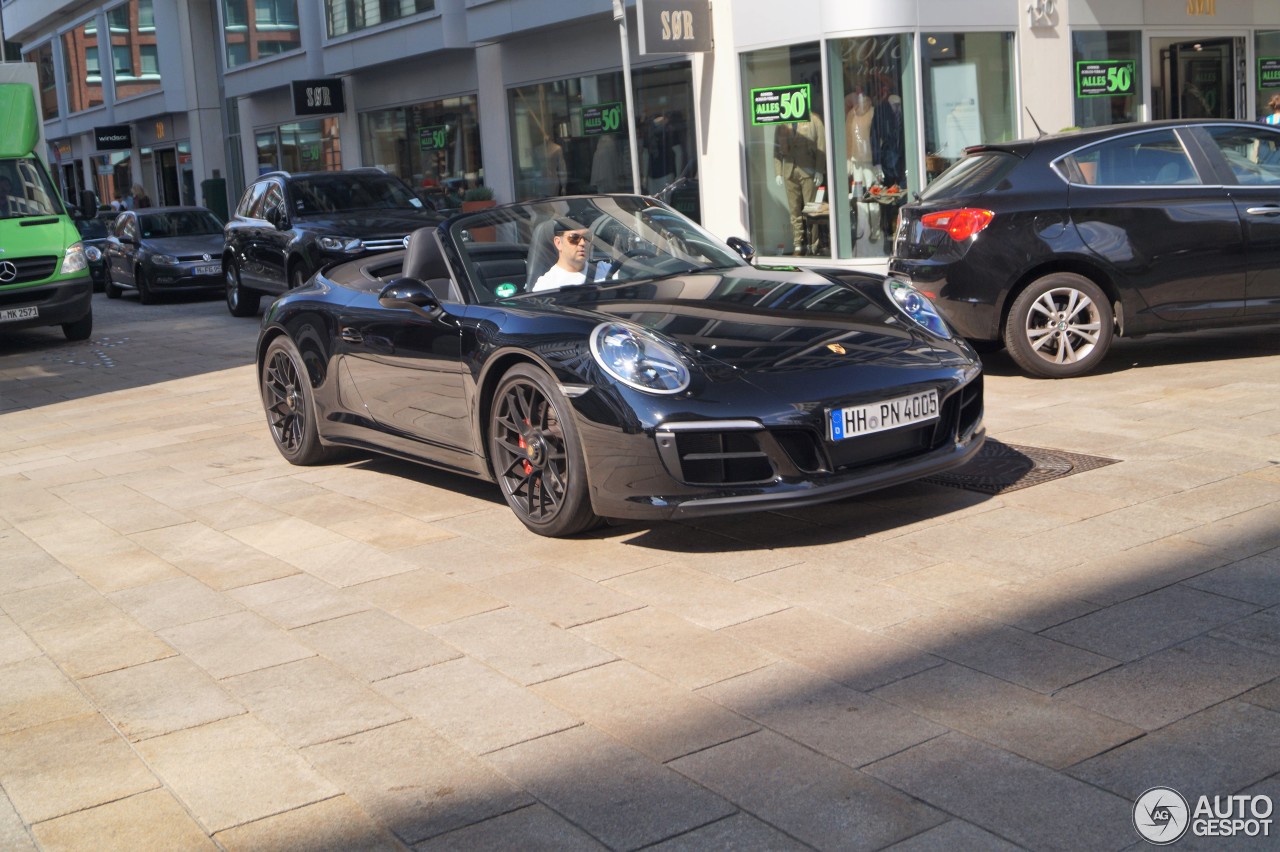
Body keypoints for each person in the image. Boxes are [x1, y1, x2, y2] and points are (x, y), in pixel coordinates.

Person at [773, 106, 826, 255]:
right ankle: (798, 243)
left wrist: (819, 170)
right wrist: (778, 171)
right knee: (794, 210)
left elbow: (821, 145)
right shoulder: (783, 122)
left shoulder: (814, 120)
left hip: (808, 170)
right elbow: (776, 148)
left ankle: (812, 243)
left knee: (811, 210)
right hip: (789, 170)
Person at [531, 219, 611, 292]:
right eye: (574, 238)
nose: (583, 243)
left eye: (587, 237)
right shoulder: (546, 286)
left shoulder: (607, 271)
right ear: (558, 243)